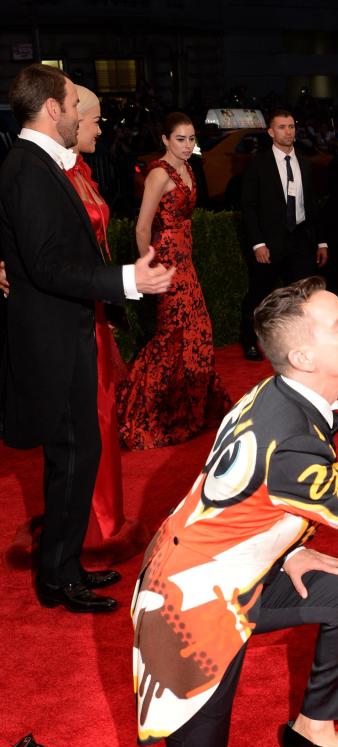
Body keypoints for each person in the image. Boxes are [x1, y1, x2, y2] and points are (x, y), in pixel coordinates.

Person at [2, 277, 338, 747]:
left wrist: (289, 551)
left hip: (235, 573)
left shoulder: (278, 394)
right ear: (302, 355)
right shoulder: (291, 440)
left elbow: (233, 496)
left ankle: (314, 728)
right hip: (187, 611)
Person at [0, 64, 173, 614]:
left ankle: (65, 565)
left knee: (79, 454)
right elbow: (50, 266)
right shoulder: (28, 169)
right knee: (73, 455)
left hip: (66, 331)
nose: (81, 113)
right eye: (74, 103)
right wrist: (127, 279)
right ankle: (57, 577)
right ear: (53, 109)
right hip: (52, 339)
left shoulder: (41, 164)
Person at [116, 112, 231, 450]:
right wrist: (147, 269)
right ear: (165, 140)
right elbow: (141, 227)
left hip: (186, 263)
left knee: (197, 333)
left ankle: (188, 408)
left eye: (192, 139)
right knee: (173, 337)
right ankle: (144, 409)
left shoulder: (188, 168)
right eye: (180, 139)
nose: (187, 145)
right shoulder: (158, 173)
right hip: (166, 265)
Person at [66, 86, 145, 561]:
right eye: (92, 118)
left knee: (103, 414)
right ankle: (95, 527)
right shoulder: (52, 174)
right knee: (92, 418)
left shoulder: (81, 171)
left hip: (95, 306)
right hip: (76, 311)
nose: (99, 126)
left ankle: (106, 519)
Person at [240, 108, 329, 361]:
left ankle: (299, 343)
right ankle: (249, 340)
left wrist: (321, 241)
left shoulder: (305, 164)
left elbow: (312, 205)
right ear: (271, 132)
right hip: (269, 241)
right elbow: (249, 207)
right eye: (282, 127)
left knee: (302, 298)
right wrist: (258, 243)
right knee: (259, 295)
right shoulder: (258, 165)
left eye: (291, 126)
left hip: (300, 239)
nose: (288, 131)